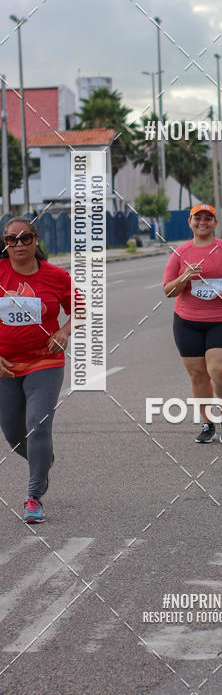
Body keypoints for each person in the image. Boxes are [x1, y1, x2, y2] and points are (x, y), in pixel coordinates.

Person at [0, 217, 75, 523]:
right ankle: (43, 461)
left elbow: (82, 310)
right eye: (11, 239)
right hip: (5, 366)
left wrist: (64, 332)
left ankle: (34, 496)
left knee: (38, 425)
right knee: (14, 432)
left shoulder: (56, 276)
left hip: (45, 362)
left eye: (25, 237)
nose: (18, 244)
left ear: (36, 240)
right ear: (5, 243)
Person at [163, 204, 222, 445]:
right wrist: (184, 278)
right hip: (187, 322)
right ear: (190, 222)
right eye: (197, 218)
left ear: (214, 223)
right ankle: (207, 423)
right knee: (198, 375)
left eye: (208, 218)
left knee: (220, 370)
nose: (202, 222)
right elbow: (168, 291)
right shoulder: (180, 253)